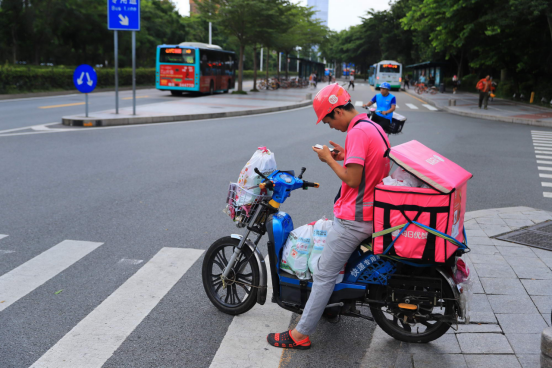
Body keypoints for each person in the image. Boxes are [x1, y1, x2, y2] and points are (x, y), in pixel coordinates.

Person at [266, 83, 390, 350]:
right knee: (332, 266)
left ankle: (300, 335)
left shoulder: (357, 132)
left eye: (327, 119)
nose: (329, 126)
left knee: (323, 273)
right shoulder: (373, 126)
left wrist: (329, 160)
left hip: (355, 218)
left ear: (337, 111)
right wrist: (345, 156)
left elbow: (353, 178)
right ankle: (330, 306)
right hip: (371, 212)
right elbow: (370, 164)